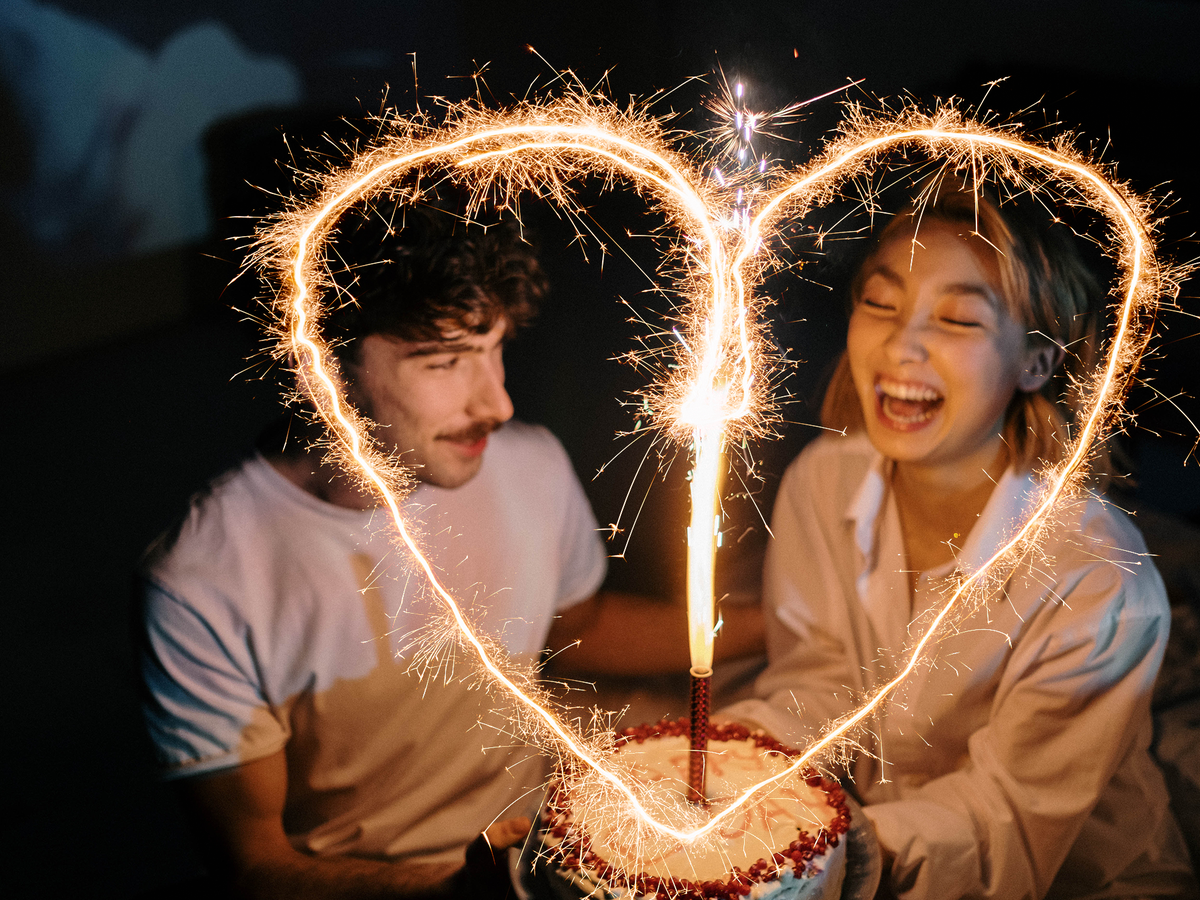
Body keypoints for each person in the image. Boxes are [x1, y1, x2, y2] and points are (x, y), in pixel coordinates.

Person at [139, 199, 763, 899]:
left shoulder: (528, 462)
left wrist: (778, 621)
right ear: (320, 363)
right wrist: (458, 889)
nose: (496, 403)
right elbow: (255, 868)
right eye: (445, 361)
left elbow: (576, 630)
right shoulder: (204, 581)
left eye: (495, 350)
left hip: (544, 850)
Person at [724, 188, 1196, 899]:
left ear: (1035, 363)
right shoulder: (822, 484)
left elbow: (1004, 820)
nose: (901, 344)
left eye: (957, 319)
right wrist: (716, 768)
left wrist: (839, 847)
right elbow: (818, 681)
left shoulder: (1100, 580)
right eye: (881, 304)